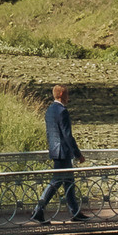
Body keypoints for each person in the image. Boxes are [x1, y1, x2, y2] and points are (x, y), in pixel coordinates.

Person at [31, 83, 86, 223]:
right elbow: (67, 135)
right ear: (61, 95)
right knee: (56, 182)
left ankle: (75, 212)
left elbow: (50, 133)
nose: (68, 97)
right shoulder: (62, 111)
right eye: (67, 94)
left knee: (69, 182)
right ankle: (38, 211)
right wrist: (78, 154)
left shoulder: (49, 110)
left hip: (55, 150)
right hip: (63, 152)